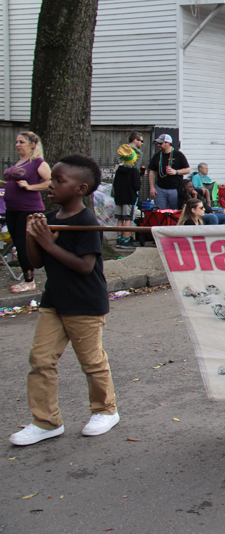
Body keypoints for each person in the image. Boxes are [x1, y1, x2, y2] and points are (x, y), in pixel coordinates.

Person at [9, 155, 119, 446]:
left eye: (59, 181)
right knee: (41, 360)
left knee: (92, 361)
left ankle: (105, 410)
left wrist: (47, 242)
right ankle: (46, 421)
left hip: (84, 303)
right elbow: (36, 262)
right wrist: (34, 236)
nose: (51, 186)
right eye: (52, 179)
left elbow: (84, 266)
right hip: (54, 301)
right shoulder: (50, 218)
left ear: (81, 189)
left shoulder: (86, 222)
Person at [4, 131, 51, 292]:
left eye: (21, 142)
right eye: (16, 142)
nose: (17, 145)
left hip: (28, 209)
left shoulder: (38, 162)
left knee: (24, 244)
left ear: (32, 144)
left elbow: (49, 182)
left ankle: (29, 281)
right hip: (12, 210)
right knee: (17, 244)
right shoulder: (19, 163)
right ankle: (27, 276)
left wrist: (30, 187)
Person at [148, 134, 189, 210]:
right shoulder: (157, 156)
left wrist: (176, 172)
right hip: (160, 189)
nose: (158, 145)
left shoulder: (178, 155)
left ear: (167, 143)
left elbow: (187, 170)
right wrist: (152, 187)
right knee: (161, 211)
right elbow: (152, 172)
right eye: (158, 143)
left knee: (176, 210)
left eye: (161, 143)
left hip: (175, 189)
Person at [112, 144, 142, 248]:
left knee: (120, 219)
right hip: (129, 198)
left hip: (119, 198)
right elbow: (136, 186)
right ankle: (126, 239)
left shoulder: (119, 170)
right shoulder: (133, 171)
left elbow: (115, 184)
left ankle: (119, 238)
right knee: (128, 218)